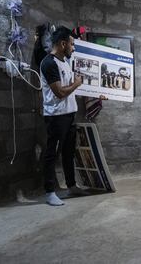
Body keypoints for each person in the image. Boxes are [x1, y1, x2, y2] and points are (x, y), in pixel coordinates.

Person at [40, 26, 88, 206]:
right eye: (72, 44)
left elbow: (67, 88)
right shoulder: (48, 63)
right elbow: (60, 92)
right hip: (56, 116)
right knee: (52, 154)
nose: (73, 47)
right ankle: (50, 192)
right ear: (62, 44)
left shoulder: (65, 61)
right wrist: (76, 84)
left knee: (68, 152)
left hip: (69, 114)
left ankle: (71, 185)